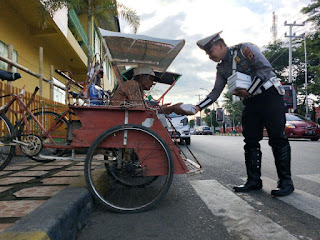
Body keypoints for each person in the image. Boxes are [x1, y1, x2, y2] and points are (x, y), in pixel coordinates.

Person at [195, 31, 294, 196]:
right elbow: (215, 92)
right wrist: (197, 107)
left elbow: (265, 69)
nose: (209, 56)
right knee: (250, 140)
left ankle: (286, 182)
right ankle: (254, 181)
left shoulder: (244, 49)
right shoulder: (222, 67)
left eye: (210, 51)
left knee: (277, 138)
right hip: (251, 102)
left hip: (270, 96)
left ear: (220, 45)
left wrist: (248, 91)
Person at [110, 66, 192, 115]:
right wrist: (170, 109)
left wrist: (167, 109)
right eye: (151, 79)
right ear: (142, 77)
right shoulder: (132, 85)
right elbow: (142, 111)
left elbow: (144, 109)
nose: (152, 83)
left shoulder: (136, 87)